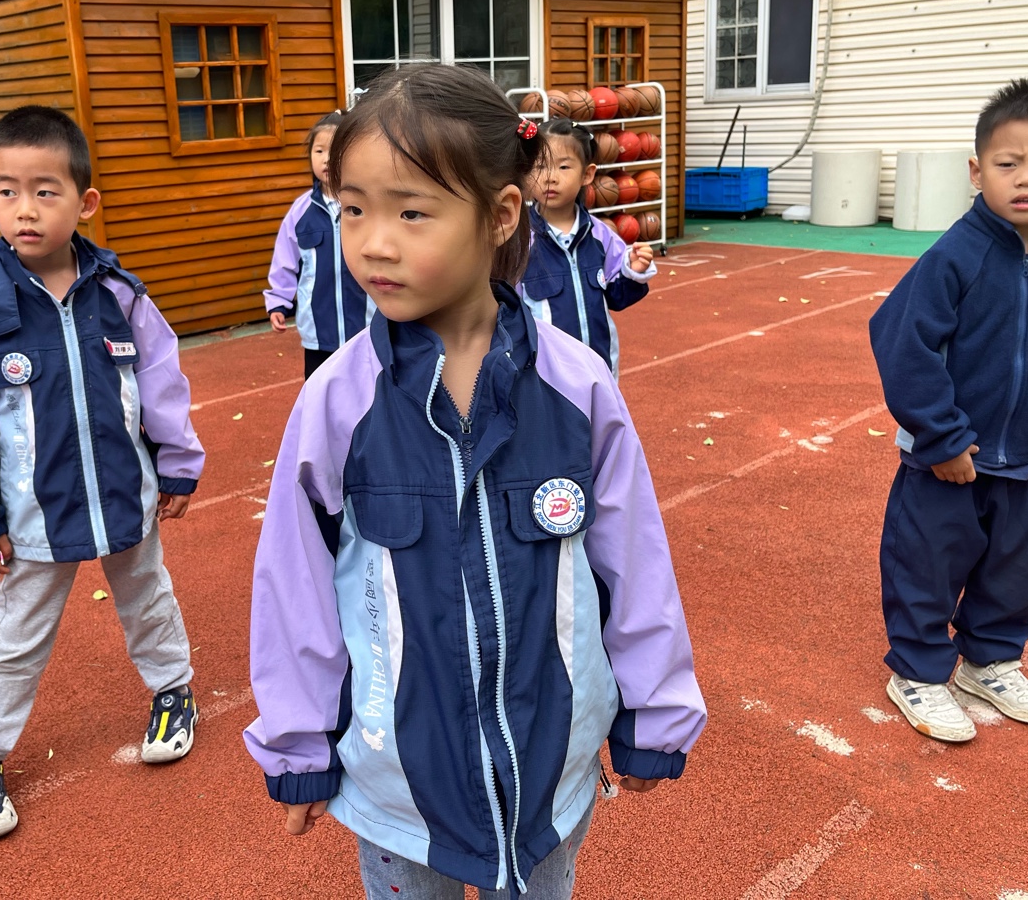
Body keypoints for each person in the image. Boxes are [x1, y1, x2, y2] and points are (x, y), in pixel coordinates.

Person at [244, 66, 705, 899]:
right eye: (354, 209)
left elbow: (634, 562)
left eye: (411, 212)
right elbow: (294, 583)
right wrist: (298, 740)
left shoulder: (577, 385)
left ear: (500, 214)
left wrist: (655, 712)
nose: (373, 243)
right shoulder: (337, 401)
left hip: (551, 775)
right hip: (397, 786)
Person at [0, 106, 206, 842]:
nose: (26, 209)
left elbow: (162, 384)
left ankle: (173, 691)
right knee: (16, 637)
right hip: (33, 518)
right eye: (9, 191)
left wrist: (178, 463)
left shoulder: (120, 295)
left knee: (148, 599)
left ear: (85, 203)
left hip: (124, 500)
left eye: (46, 191)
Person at [869, 77, 1028, 743]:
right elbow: (902, 342)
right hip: (948, 462)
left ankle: (990, 661)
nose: (1026, 178)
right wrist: (942, 438)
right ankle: (917, 672)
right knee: (927, 566)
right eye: (1008, 163)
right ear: (977, 172)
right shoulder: (955, 256)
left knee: (1013, 569)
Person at [517, 118, 656, 378]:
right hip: (546, 377)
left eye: (563, 166)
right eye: (540, 166)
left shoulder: (601, 236)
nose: (550, 177)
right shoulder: (519, 241)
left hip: (598, 370)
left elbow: (618, 298)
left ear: (587, 174)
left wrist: (633, 272)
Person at [263, 112, 373, 378]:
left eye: (335, 151)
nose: (326, 159)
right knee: (320, 393)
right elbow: (285, 260)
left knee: (370, 390)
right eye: (319, 150)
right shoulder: (301, 210)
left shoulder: (369, 205)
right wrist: (279, 302)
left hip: (368, 327)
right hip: (318, 332)